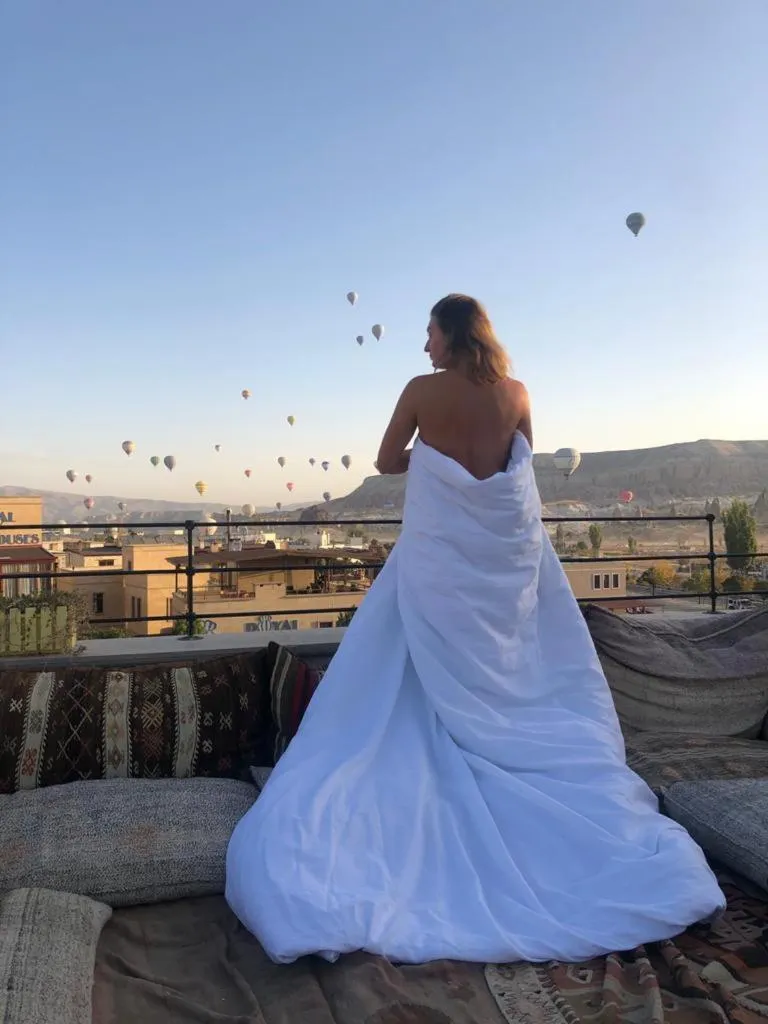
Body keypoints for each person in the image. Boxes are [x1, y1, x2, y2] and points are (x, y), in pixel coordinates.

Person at [226, 294, 725, 966]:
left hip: (439, 563)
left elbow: (383, 461)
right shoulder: (517, 394)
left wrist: (430, 460)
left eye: (429, 333)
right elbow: (516, 467)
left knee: (418, 674)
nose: (424, 346)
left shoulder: (420, 392)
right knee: (505, 666)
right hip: (499, 564)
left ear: (452, 332)